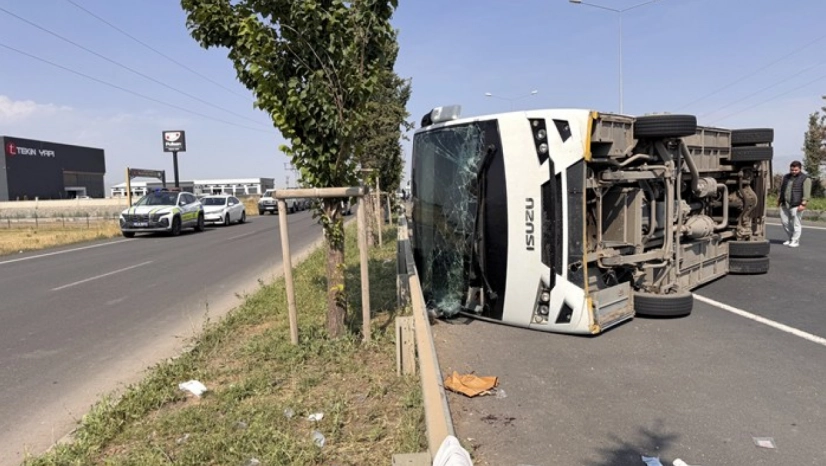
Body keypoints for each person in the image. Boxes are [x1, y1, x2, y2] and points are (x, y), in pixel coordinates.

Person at [777, 160, 812, 248]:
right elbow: (782, 189)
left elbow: (807, 193)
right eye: (792, 170)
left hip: (797, 204)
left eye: (796, 170)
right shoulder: (786, 177)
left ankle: (795, 241)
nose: (793, 172)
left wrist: (803, 204)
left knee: (796, 223)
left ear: (800, 169)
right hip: (785, 203)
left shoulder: (805, 179)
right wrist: (779, 200)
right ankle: (791, 238)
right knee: (785, 222)